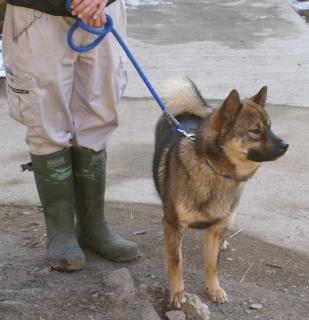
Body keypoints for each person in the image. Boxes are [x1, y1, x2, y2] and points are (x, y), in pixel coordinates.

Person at [3, 0, 141, 271]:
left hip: (104, 9)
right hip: (38, 13)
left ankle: (93, 225)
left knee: (98, 116)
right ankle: (61, 231)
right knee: (45, 120)